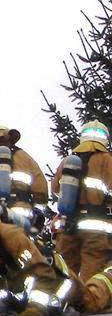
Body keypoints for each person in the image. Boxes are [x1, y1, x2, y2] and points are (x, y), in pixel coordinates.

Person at [51, 120, 112, 282]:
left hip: (67, 225)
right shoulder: (107, 160)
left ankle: (63, 297)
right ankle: (85, 298)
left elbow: (55, 188)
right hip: (96, 228)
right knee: (91, 275)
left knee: (64, 273)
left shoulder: (68, 161)